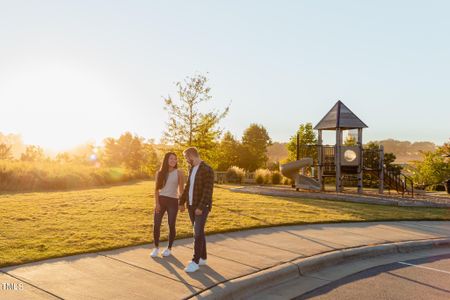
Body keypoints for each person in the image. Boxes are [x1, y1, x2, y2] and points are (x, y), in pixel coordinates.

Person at [179, 147, 214, 273]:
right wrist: (181, 202)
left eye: (186, 158)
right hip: (191, 205)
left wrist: (200, 207)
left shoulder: (207, 170)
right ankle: (203, 257)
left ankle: (195, 261)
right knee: (199, 231)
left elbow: (207, 191)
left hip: (201, 207)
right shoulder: (192, 168)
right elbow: (188, 187)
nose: (186, 160)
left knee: (197, 233)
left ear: (191, 156)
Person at [150, 152, 185, 258]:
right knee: (156, 224)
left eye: (175, 159)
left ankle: (169, 248)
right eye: (171, 159)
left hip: (173, 202)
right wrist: (157, 203)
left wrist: (182, 203)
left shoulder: (179, 172)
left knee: (171, 224)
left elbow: (181, 190)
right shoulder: (159, 173)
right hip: (161, 200)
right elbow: (156, 189)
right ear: (166, 160)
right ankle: (156, 247)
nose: (173, 161)